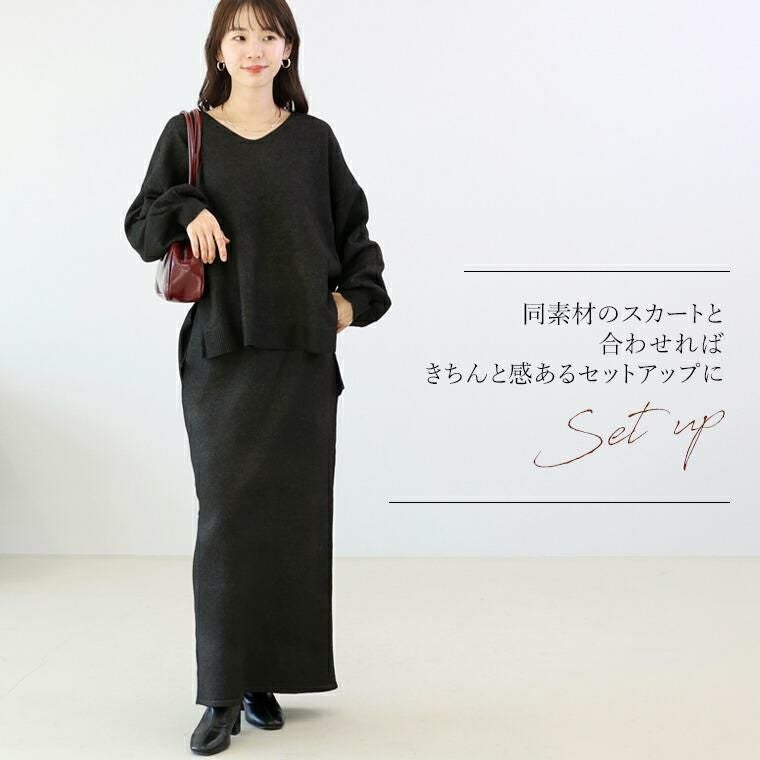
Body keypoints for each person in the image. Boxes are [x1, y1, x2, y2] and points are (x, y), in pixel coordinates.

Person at [123, 0, 391, 754]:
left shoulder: (314, 140)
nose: (253, 48)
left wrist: (350, 305)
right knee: (229, 520)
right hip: (224, 354)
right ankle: (220, 690)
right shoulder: (188, 134)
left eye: (268, 35)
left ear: (287, 51)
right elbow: (140, 224)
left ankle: (260, 677)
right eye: (238, 34)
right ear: (218, 49)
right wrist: (185, 209)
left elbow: (355, 235)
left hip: (301, 357)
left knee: (290, 521)